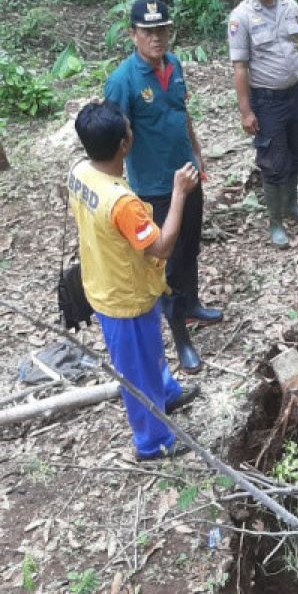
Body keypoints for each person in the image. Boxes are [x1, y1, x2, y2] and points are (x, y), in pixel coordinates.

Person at [68, 101, 201, 461]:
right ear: (124, 145)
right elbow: (162, 245)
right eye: (129, 130)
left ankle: (166, 393)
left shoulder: (80, 172)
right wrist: (179, 193)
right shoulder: (122, 203)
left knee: (148, 353)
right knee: (135, 371)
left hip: (104, 280)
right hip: (124, 297)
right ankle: (152, 441)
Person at [104, 0, 222, 372]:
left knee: (190, 249)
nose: (157, 38)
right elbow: (113, 137)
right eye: (148, 32)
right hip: (155, 187)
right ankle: (180, 337)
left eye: (162, 30)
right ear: (133, 34)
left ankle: (191, 305)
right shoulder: (123, 80)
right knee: (166, 263)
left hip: (187, 175)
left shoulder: (174, 65)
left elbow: (181, 113)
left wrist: (198, 153)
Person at [227, 0, 298, 248]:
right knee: (272, 162)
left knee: (297, 151)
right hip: (265, 100)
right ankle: (275, 221)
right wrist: (246, 111)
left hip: (292, 95)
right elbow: (240, 68)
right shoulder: (240, 18)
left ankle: (292, 204)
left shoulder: (291, 7)